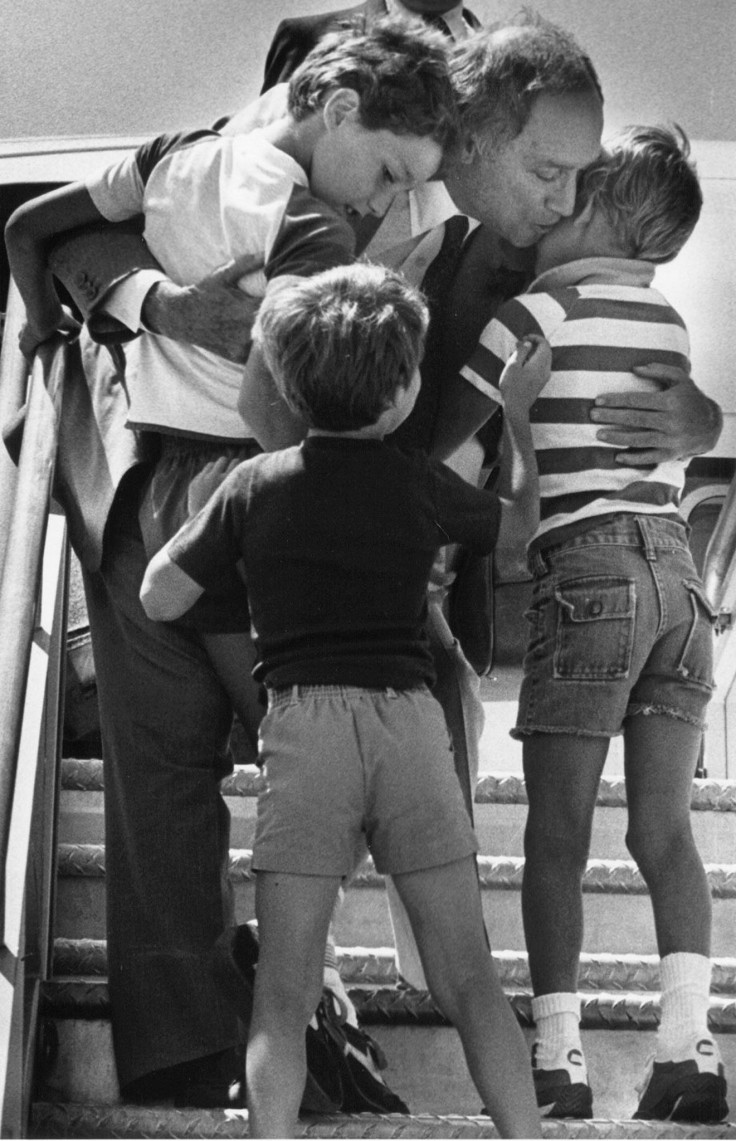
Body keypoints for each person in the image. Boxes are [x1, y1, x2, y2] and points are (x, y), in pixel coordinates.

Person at [35, 13, 721, 1107]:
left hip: (369, 529)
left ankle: (322, 1005)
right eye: (546, 171)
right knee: (182, 758)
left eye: (576, 178)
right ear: (473, 133)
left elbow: (613, 362)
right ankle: (226, 1042)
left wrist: (698, 417)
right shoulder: (307, 161)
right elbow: (69, 227)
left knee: (382, 738)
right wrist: (163, 310)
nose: (562, 197)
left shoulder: (541, 259)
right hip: (219, 477)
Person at [5, 18, 458, 1108]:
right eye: (388, 170)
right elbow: (299, 381)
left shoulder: (172, 161)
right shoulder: (300, 212)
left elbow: (34, 228)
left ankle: (222, 1036)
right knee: (336, 741)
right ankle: (291, 1008)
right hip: (226, 492)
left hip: (159, 493)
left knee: (178, 776)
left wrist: (35, 331)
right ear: (328, 103)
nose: (383, 199)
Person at [139, 261, 541, 1139]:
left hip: (305, 725)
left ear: (285, 381)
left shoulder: (253, 486)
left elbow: (158, 595)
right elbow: (517, 539)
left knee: (281, 991)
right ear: (401, 391)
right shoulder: (420, 482)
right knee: (468, 975)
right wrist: (517, 420)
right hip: (406, 721)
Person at [459, 124, 728, 1123]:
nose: (546, 209)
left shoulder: (534, 311)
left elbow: (449, 430)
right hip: (680, 581)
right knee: (665, 832)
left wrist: (509, 416)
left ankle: (559, 1057)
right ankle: (687, 1048)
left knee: (557, 836)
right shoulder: (667, 325)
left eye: (567, 193)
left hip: (589, 574)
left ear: (603, 208)